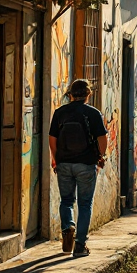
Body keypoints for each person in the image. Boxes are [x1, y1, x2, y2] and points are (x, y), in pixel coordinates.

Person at [48, 79, 109, 257]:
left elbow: (52, 139)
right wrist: (100, 156)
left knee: (66, 201)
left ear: (71, 94)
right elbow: (102, 139)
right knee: (84, 204)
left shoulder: (60, 113)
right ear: (88, 95)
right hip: (86, 164)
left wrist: (55, 159)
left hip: (64, 164)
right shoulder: (93, 113)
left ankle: (68, 227)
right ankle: (80, 245)